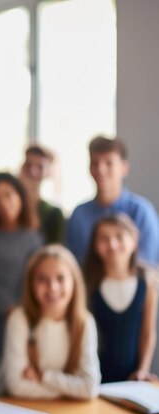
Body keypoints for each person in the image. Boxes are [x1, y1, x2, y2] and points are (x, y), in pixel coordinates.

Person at [0, 245, 101, 400]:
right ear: (31, 284)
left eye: (60, 278)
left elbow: (90, 387)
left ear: (74, 281)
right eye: (42, 279)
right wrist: (71, 390)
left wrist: (44, 377)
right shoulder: (19, 319)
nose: (52, 287)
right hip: (12, 406)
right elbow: (16, 386)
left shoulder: (84, 322)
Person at [0, 172, 43, 370]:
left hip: (22, 313)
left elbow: (35, 278)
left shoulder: (33, 237)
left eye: (8, 195)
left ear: (20, 196)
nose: (3, 204)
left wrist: (20, 306)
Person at [84, 214, 158, 383]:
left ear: (134, 240)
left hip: (132, 379)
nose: (112, 244)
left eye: (119, 236)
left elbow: (148, 333)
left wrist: (142, 370)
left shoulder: (147, 283)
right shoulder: (88, 284)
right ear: (95, 245)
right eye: (104, 238)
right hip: (93, 378)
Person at [66, 136, 159, 266]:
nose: (101, 170)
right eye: (95, 163)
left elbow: (148, 267)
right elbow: (73, 265)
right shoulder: (79, 214)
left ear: (124, 168)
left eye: (109, 163)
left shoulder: (141, 212)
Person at [19, 144, 66, 244]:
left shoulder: (54, 214)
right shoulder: (10, 205)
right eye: (28, 165)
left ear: (48, 172)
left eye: (40, 167)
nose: (33, 171)